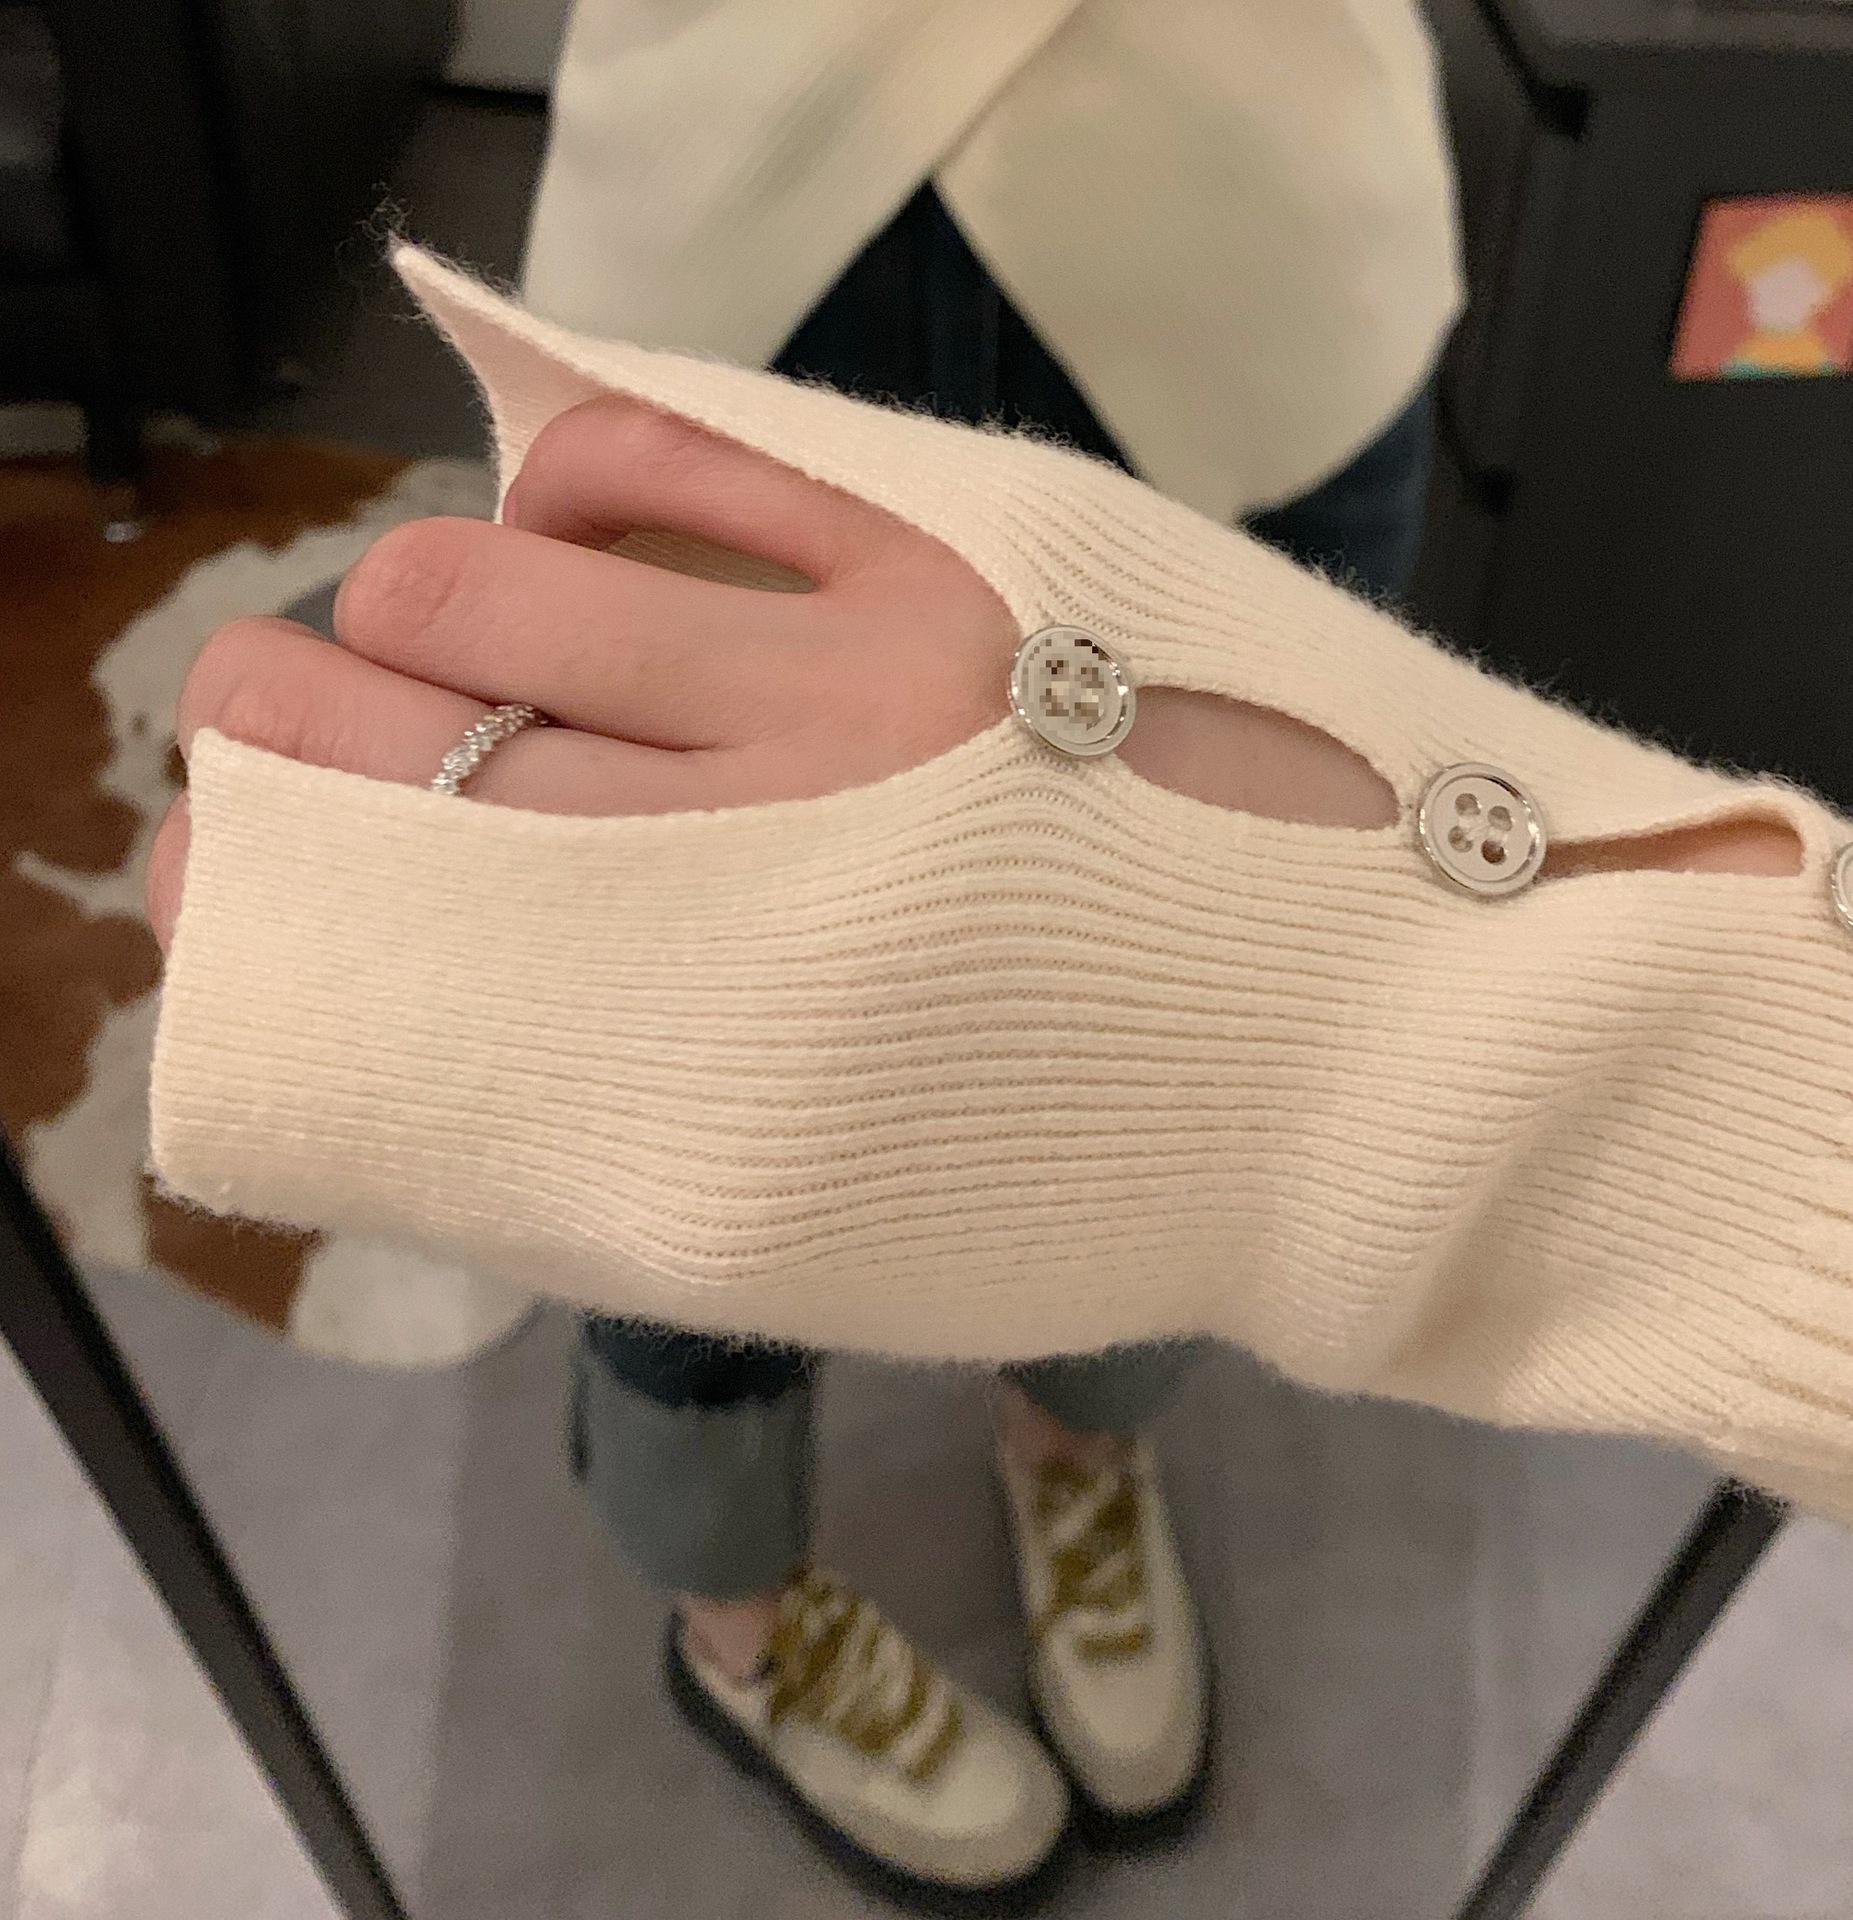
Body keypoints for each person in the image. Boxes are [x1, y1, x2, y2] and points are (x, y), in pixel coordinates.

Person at [148, 249, 1849, 1911]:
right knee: (668, 1056)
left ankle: (1077, 1449)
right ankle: (741, 1619)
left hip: (1248, 248)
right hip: (750, 222)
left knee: (1158, 1086)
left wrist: (1391, 1024)